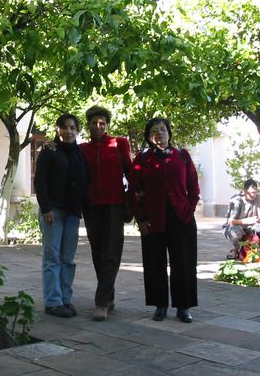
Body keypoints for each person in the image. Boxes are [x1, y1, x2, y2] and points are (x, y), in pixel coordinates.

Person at [128, 118, 200, 323]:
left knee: (183, 263)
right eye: (154, 130)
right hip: (153, 219)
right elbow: (133, 191)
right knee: (154, 263)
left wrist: (189, 209)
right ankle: (160, 305)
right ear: (149, 136)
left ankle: (183, 306)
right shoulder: (142, 159)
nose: (159, 133)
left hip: (181, 218)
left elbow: (193, 186)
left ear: (169, 133)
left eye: (162, 129)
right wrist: (140, 218)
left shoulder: (182, 156)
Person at [80, 106, 132, 321]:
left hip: (114, 204)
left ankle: (101, 303)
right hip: (91, 206)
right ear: (88, 125)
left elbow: (131, 171)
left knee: (111, 253)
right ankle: (108, 298)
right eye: (94, 123)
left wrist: (136, 199)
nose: (98, 127)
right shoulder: (82, 149)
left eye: (102, 123)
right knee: (98, 253)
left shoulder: (119, 143)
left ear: (107, 125)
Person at [34, 113, 88, 318]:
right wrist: (46, 209)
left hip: (72, 213)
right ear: (57, 129)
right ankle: (53, 302)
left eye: (73, 127)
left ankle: (66, 298)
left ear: (77, 131)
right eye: (64, 127)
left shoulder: (79, 153)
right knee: (52, 257)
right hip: (53, 212)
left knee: (68, 259)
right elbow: (40, 182)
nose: (69, 131)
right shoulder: (49, 151)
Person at [223, 179, 260, 260]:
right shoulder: (236, 200)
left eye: (255, 192)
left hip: (251, 227)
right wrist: (246, 221)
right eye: (252, 193)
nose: (254, 195)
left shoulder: (257, 197)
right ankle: (235, 249)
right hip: (234, 227)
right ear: (245, 191)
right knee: (236, 233)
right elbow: (230, 221)